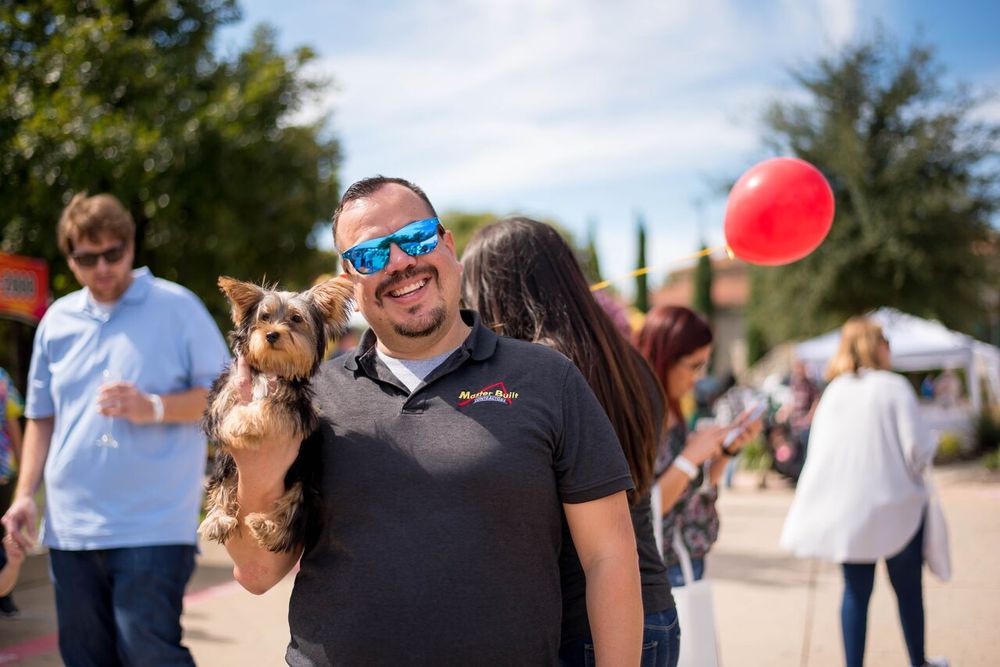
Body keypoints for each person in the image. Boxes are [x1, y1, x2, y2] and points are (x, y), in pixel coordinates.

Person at [221, 176, 642, 666]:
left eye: (415, 238)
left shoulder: (547, 378)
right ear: (350, 279)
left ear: (447, 243)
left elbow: (609, 556)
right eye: (372, 255)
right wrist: (253, 462)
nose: (399, 262)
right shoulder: (309, 397)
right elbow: (256, 572)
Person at [1, 193, 229, 666]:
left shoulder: (177, 307)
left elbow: (227, 396)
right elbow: (41, 416)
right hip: (71, 527)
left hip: (154, 524)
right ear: (70, 256)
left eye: (113, 253)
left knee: (149, 654)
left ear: (131, 246)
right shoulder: (57, 321)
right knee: (85, 659)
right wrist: (25, 495)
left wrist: (154, 407)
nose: (102, 267)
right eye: (87, 258)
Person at [461, 217, 678, 667]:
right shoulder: (629, 363)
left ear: (496, 293)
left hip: (588, 619)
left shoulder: (542, 375)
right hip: (651, 603)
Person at [780, 317, 946, 667]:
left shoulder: (834, 392)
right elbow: (917, 450)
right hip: (897, 508)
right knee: (909, 593)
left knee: (855, 593)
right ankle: (919, 662)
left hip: (850, 512)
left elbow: (821, 452)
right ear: (877, 345)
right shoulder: (894, 387)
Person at [634, 305, 761, 588]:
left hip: (685, 557)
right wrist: (690, 457)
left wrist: (726, 450)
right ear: (665, 358)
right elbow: (644, 509)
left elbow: (692, 488)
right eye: (695, 365)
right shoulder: (638, 414)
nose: (700, 376)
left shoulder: (670, 405)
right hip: (664, 566)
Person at [0, 366, 24, 616]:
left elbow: (12, 421)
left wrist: (23, 461)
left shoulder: (1, 379)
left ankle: (6, 596)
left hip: (3, 469)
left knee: (5, 533)